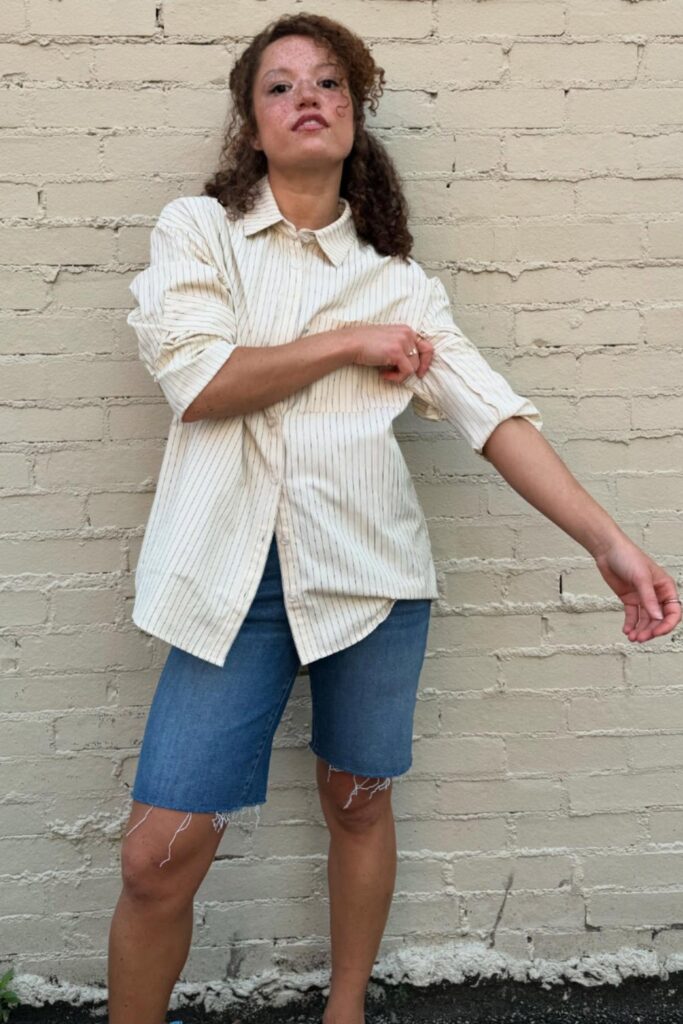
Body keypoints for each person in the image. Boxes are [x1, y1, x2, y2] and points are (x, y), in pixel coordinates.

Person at [108, 12, 681, 1024]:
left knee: (356, 798)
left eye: (326, 82)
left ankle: (344, 1010)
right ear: (250, 121)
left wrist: (610, 543)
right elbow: (199, 380)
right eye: (279, 86)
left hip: (370, 585)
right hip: (226, 586)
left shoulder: (402, 284)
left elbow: (491, 415)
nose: (305, 98)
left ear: (356, 115)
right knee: (158, 854)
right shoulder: (196, 232)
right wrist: (347, 343)